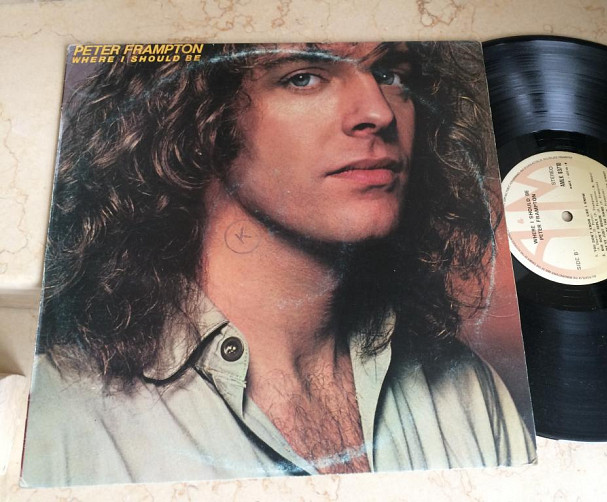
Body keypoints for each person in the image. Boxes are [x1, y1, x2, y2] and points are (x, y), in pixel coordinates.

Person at [22, 41, 536, 486]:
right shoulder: (57, 420)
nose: (378, 111)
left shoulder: (467, 391)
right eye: (304, 77)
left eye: (389, 73)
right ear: (200, 118)